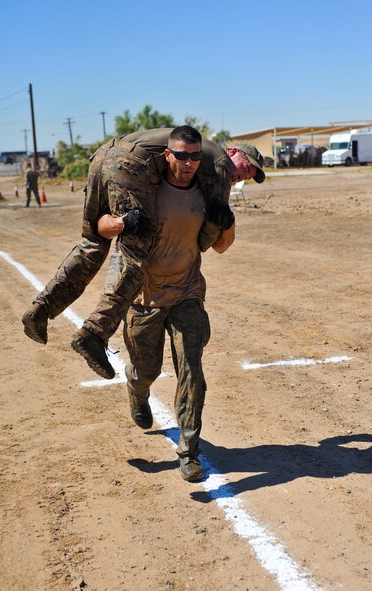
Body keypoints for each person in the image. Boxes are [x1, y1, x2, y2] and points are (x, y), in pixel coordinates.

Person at [22, 127, 265, 380]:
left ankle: (39, 310)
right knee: (136, 252)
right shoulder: (219, 164)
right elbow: (207, 241)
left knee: (92, 243)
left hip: (104, 156)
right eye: (247, 166)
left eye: (250, 175)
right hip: (131, 164)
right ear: (233, 152)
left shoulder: (197, 153)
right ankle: (94, 334)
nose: (243, 175)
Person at [122, 126, 235, 482]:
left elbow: (218, 246)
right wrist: (118, 222)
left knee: (192, 373)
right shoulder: (145, 190)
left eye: (195, 156)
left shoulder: (205, 192)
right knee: (146, 369)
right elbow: (103, 224)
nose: (188, 163)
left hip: (187, 294)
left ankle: (189, 452)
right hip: (146, 299)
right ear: (167, 154)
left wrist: (226, 224)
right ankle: (137, 390)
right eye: (182, 155)